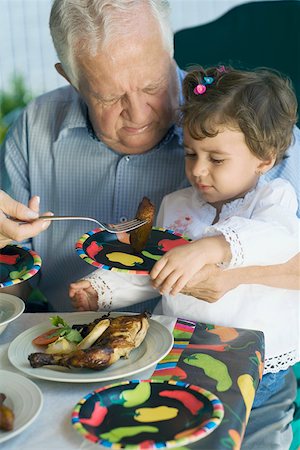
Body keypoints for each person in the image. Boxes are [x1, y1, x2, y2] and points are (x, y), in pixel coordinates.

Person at [0, 0, 299, 312]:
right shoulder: (35, 128)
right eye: (110, 97)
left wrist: (234, 273)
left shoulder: (249, 130)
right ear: (70, 79)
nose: (138, 114)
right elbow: (14, 284)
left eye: (152, 85)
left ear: (170, 51)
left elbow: (284, 237)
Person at [69, 66, 300, 450]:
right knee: (183, 433)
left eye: (217, 159)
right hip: (180, 351)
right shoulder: (177, 205)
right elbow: (153, 268)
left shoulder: (273, 199)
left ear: (264, 159)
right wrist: (101, 289)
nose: (198, 170)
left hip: (258, 365)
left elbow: (281, 240)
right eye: (191, 154)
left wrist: (213, 247)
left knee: (253, 440)